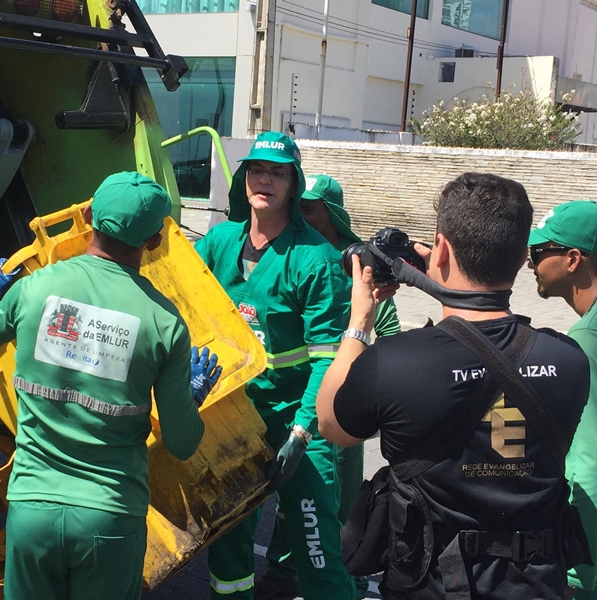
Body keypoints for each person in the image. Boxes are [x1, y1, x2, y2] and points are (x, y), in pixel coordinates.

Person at [316, 172, 590, 599]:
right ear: (522, 258)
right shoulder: (570, 360)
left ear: (440, 249)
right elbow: (480, 349)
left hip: (431, 584)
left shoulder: (396, 362)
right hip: (538, 586)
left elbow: (332, 425)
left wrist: (359, 322)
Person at [0, 171, 220, 600]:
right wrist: (192, 394)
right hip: (109, 519)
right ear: (155, 241)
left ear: (87, 216)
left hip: (33, 511)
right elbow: (181, 443)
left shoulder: (35, 289)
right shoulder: (164, 322)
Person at [194, 132, 357, 600]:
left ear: (294, 183)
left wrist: (303, 432)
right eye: (257, 170)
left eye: (277, 172)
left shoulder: (316, 261)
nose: (265, 180)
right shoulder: (219, 242)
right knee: (227, 553)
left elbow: (329, 361)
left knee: (316, 550)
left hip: (293, 423)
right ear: (244, 178)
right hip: (230, 421)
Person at [261, 174, 403, 599]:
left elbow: (391, 332)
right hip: (299, 400)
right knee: (293, 499)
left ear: (332, 213)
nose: (300, 214)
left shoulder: (361, 266)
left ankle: (351, 577)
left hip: (342, 404)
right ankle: (282, 570)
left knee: (333, 505)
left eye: (310, 208)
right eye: (298, 206)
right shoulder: (291, 255)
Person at [527, 199, 597, 600]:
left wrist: (581, 566)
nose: (530, 264)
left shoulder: (586, 339)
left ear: (572, 259)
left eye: (539, 253)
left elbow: (588, 463)